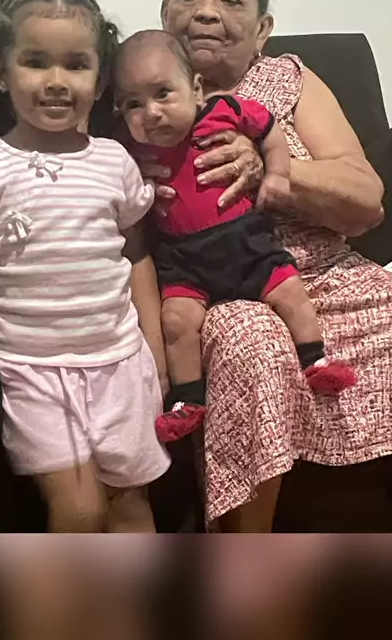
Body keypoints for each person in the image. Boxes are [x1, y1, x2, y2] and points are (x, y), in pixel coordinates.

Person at [136, 0, 392, 532]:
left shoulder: (289, 81)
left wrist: (276, 169)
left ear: (263, 29)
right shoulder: (140, 94)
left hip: (329, 279)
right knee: (251, 342)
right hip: (221, 293)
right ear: (165, 13)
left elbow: (367, 200)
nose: (207, 10)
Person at [0, 0, 170, 533]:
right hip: (35, 372)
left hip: (121, 363)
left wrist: (156, 350)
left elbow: (137, 256)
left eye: (76, 64)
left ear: (100, 80)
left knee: (131, 506)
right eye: (35, 61)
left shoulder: (114, 161)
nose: (56, 81)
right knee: (81, 510)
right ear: (1, 73)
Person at [114, 30, 355, 443]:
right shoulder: (131, 149)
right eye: (133, 104)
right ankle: (186, 400)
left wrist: (277, 174)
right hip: (185, 262)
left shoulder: (225, 112)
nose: (150, 113)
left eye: (163, 94)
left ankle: (316, 361)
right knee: (176, 322)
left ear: (195, 89)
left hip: (249, 247)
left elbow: (270, 131)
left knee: (291, 292)